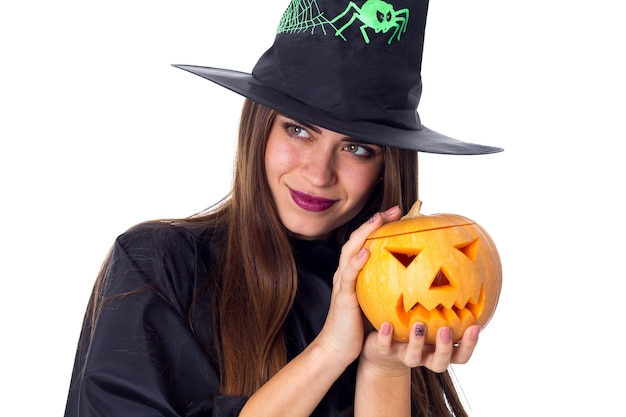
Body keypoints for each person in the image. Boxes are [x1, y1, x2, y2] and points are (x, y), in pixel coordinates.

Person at [64, 0, 502, 416]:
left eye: (356, 147)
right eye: (298, 130)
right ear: (260, 128)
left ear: (388, 166)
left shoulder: (399, 293)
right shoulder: (158, 264)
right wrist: (330, 350)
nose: (319, 174)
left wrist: (384, 368)